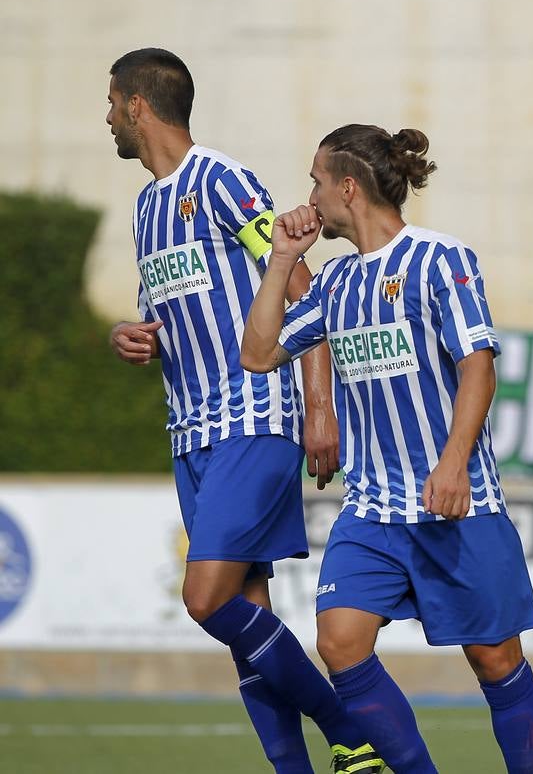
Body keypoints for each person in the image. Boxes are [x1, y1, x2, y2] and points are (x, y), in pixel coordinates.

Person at [240, 124, 533, 774]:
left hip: (454, 501)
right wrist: (281, 261)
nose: (311, 197)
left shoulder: (440, 258)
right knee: (339, 641)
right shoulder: (332, 282)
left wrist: (455, 460)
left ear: (347, 186)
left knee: (495, 660)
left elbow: (479, 366)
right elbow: (259, 352)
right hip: (372, 508)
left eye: (316, 182)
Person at [105, 48, 380, 774]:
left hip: (252, 415)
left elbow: (303, 288)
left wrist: (320, 407)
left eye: (111, 105)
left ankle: (347, 728)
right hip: (189, 431)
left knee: (203, 599)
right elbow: (163, 310)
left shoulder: (220, 180)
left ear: (138, 105)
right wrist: (130, 335)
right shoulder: (146, 207)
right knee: (245, 622)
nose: (106, 120)